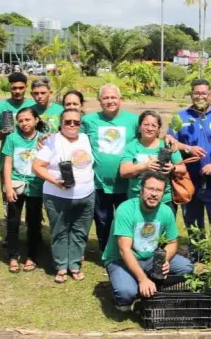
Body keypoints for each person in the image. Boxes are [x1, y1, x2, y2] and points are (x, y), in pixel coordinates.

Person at [102, 172, 194, 312]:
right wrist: (142, 279)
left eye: (158, 190)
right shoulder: (126, 210)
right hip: (120, 260)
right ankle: (130, 284)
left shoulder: (166, 211)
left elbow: (172, 242)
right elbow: (124, 250)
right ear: (141, 190)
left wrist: (164, 260)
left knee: (186, 268)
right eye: (150, 189)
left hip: (151, 258)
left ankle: (149, 284)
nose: (154, 194)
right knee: (126, 294)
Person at [33, 108, 95, 283]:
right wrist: (55, 181)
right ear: (61, 123)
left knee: (80, 231)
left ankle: (74, 265)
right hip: (57, 196)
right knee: (60, 231)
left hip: (86, 195)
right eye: (68, 121)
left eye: (76, 122)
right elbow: (36, 166)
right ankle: (61, 267)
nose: (72, 125)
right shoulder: (52, 141)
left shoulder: (85, 138)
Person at [164, 79, 211, 238]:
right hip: (188, 180)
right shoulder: (180, 117)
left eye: (204, 93)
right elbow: (169, 140)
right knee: (192, 222)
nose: (200, 96)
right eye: (196, 93)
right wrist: (188, 148)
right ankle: (196, 250)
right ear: (192, 95)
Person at [80, 84, 139, 255]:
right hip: (99, 183)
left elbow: (148, 139)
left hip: (126, 183)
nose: (110, 101)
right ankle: (106, 253)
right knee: (103, 220)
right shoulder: (89, 121)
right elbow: (74, 140)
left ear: (120, 99)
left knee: (126, 220)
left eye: (113, 97)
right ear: (99, 100)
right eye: (105, 98)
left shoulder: (134, 120)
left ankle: (127, 252)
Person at [2, 107, 47, 273]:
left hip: (36, 186)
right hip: (16, 185)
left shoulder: (43, 139)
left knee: (34, 223)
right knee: (13, 222)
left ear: (36, 120)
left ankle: (31, 256)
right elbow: (7, 163)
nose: (24, 123)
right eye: (20, 120)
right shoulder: (12, 138)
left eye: (27, 119)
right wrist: (8, 187)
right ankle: (13, 256)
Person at [120, 110, 186, 214]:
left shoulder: (168, 145)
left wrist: (173, 168)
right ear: (140, 127)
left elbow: (183, 169)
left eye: (154, 125)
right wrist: (145, 166)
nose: (150, 128)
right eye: (146, 124)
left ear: (158, 129)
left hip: (164, 200)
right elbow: (124, 171)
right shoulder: (131, 146)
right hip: (137, 199)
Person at [0, 72, 35, 213]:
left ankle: (33, 223)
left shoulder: (33, 106)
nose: (17, 91)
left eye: (21, 88)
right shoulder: (0, 107)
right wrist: (4, 131)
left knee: (33, 201)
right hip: (8, 160)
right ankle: (10, 222)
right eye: (14, 88)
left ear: (26, 87)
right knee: (9, 199)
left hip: (31, 160)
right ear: (9, 87)